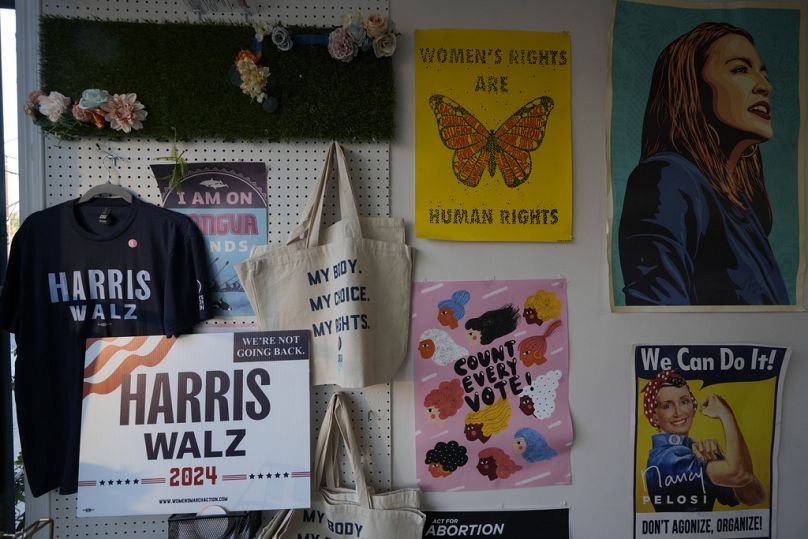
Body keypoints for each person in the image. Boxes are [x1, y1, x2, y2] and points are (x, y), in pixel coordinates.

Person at [619, 22, 789, 305]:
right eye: (740, 69)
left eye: (764, 73)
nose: (765, 86)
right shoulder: (666, 177)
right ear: (692, 86)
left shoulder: (741, 203)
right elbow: (657, 315)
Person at [641, 370, 765, 512]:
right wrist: (726, 414)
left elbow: (755, 496)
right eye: (667, 406)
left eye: (684, 401)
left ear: (693, 406)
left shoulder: (693, 451)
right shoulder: (666, 458)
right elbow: (740, 474)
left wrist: (719, 458)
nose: (678, 412)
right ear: (654, 416)